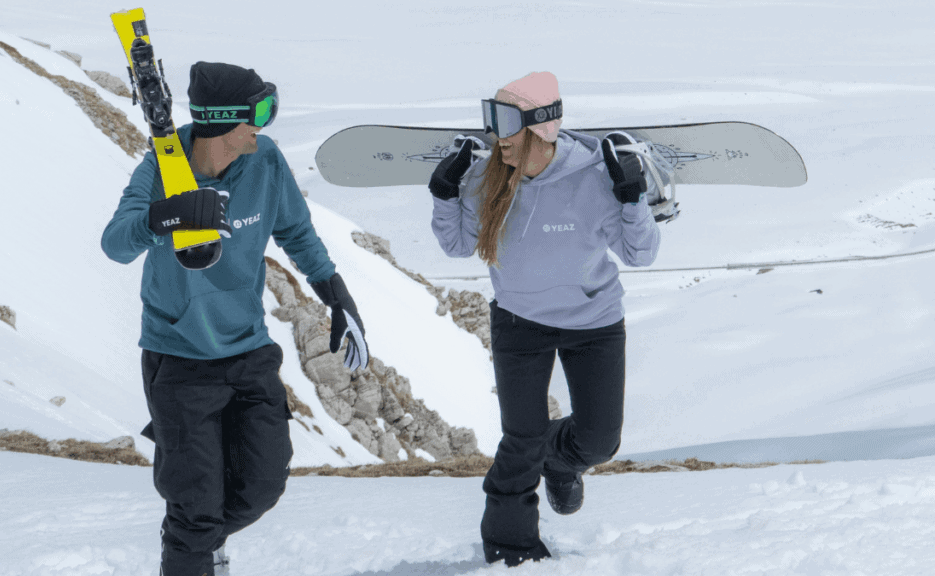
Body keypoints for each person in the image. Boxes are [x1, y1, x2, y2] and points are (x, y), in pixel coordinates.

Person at [102, 62, 369, 576]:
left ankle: (192, 535)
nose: (265, 125)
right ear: (224, 119)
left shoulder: (263, 160)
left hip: (247, 350)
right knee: (195, 507)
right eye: (261, 111)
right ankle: (191, 543)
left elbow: (296, 230)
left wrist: (335, 293)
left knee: (262, 485)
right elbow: (115, 243)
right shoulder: (163, 165)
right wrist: (164, 217)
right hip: (178, 359)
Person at [429, 71, 662, 567]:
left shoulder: (594, 177)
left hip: (593, 320)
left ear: (542, 127)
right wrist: (444, 194)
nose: (497, 136)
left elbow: (640, 254)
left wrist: (632, 198)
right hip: (519, 321)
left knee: (600, 439)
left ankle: (559, 460)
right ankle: (512, 550)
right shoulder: (488, 177)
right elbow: (456, 245)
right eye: (491, 120)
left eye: (507, 122)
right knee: (521, 438)